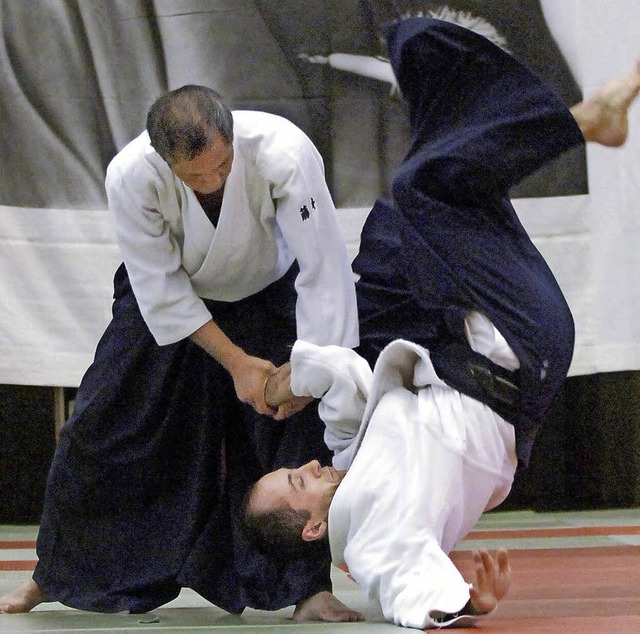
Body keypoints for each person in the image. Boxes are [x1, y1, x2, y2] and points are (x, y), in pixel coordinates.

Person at [243, 16, 640, 629]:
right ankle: (588, 119)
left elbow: (345, 378)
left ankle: (427, 67)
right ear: (316, 526)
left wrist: (292, 378)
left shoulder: (353, 455)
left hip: (481, 337)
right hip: (512, 352)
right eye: (299, 481)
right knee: (429, 188)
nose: (311, 465)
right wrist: (458, 605)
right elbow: (409, 591)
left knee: (403, 212)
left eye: (295, 466)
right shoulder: (373, 535)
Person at [0, 87, 362, 621]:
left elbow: (323, 269)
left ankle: (308, 588)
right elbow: (161, 290)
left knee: (295, 433)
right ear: (162, 157)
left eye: (220, 166)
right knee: (101, 425)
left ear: (231, 136)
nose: (211, 182)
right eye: (194, 177)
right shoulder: (131, 175)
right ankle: (54, 576)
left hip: (269, 291)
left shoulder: (284, 151)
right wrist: (239, 364)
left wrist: (308, 376)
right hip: (176, 298)